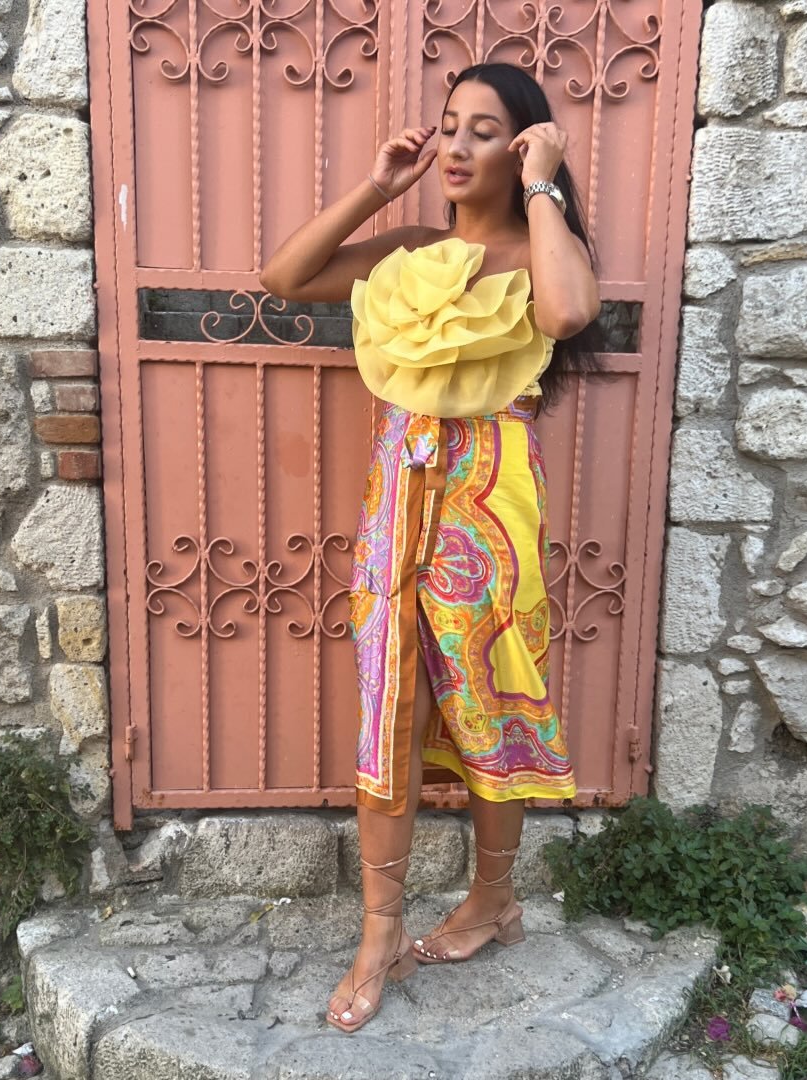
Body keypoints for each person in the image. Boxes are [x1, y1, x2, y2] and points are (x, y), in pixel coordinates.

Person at [260, 61, 601, 1034]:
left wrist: (545, 184)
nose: (455, 145)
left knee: (489, 699)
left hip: (491, 506)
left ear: (523, 146)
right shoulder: (411, 250)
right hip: (396, 503)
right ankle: (379, 933)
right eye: (449, 125)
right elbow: (283, 279)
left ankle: (493, 901)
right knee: (390, 707)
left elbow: (567, 315)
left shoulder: (543, 249)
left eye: (484, 131)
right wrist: (379, 186)